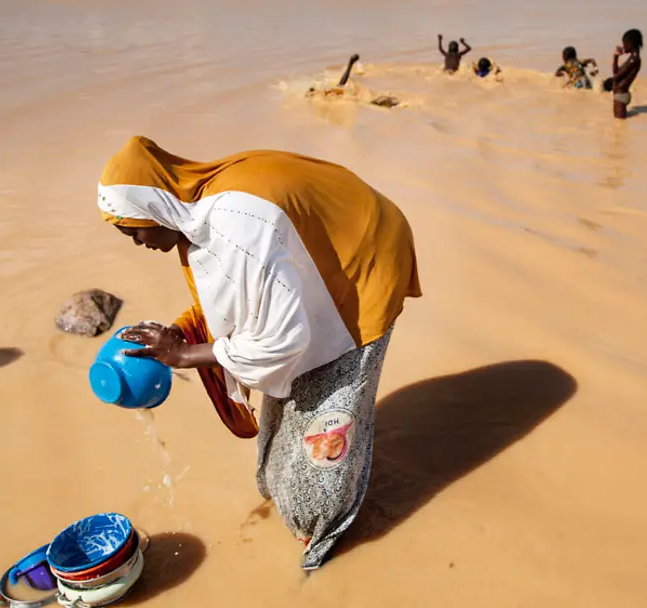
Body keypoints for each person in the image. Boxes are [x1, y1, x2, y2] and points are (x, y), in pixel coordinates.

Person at [98, 136, 421, 570]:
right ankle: (289, 496)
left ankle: (323, 538)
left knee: (327, 416)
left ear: (154, 206)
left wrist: (186, 355)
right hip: (326, 252)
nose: (135, 241)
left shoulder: (235, 226)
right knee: (285, 408)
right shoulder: (202, 216)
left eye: (131, 228)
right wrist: (181, 332)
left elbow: (282, 340)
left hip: (363, 263)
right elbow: (245, 296)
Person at [611, 28, 643, 119]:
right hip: (619, 94)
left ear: (630, 43)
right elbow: (616, 72)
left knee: (619, 126)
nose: (623, 46)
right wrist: (616, 57)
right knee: (619, 125)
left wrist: (608, 82)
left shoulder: (634, 59)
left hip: (621, 94)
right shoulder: (633, 58)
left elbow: (617, 76)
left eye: (624, 43)